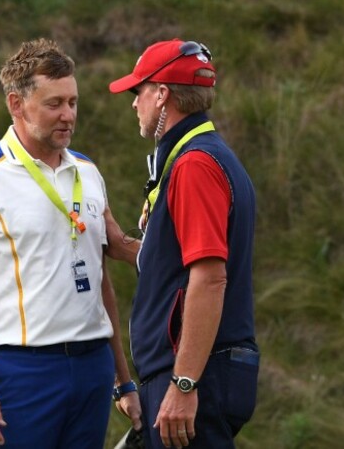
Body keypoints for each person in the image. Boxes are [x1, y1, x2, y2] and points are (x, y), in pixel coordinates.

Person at [0, 38, 141, 449]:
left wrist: (123, 378)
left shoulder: (87, 171)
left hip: (92, 365)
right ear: (16, 104)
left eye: (73, 102)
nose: (68, 115)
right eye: (54, 104)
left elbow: (101, 280)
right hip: (20, 369)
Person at [107, 39, 260, 448]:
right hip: (205, 371)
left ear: (162, 95)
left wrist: (184, 383)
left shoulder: (193, 165)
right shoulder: (207, 156)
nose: (134, 103)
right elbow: (179, 263)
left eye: (138, 92)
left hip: (196, 375)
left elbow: (209, 278)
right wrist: (122, 245)